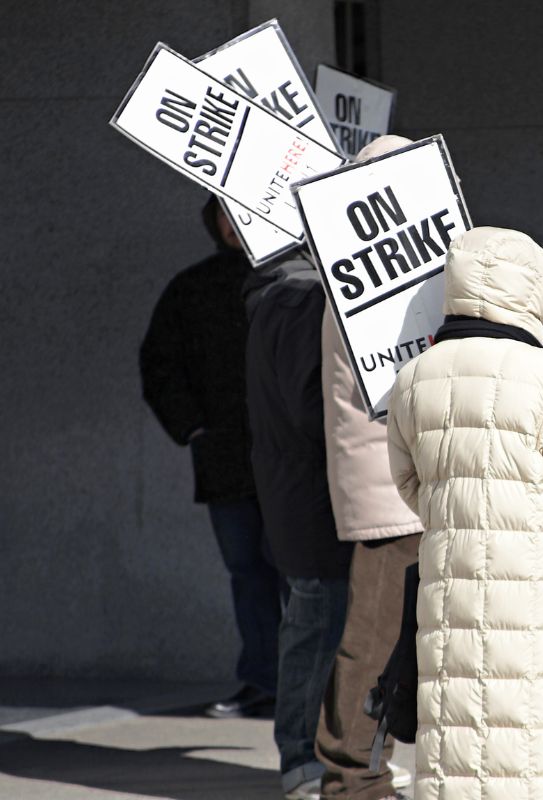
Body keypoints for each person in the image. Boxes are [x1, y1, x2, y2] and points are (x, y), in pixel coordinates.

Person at [386, 227, 543, 800]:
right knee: (538, 751)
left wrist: (464, 517)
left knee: (461, 747)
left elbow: (408, 483)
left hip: (451, 596)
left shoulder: (415, 376)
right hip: (539, 602)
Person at [139, 196, 281, 720]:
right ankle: (263, 682)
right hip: (224, 458)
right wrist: (194, 428)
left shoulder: (295, 282)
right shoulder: (191, 288)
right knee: (248, 572)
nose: (233, 222)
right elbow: (159, 364)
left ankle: (311, 687)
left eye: (241, 210)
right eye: (223, 211)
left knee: (300, 575)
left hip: (290, 457)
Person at [315, 135, 424, 800]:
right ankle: (354, 778)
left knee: (384, 637)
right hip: (390, 489)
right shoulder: (370, 284)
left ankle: (363, 767)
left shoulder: (372, 277)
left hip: (397, 483)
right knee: (373, 640)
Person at [243, 253, 355, 800]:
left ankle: (331, 756)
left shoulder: (289, 295)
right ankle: (303, 759)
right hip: (314, 495)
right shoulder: (300, 299)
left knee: (328, 622)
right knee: (318, 623)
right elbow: (313, 408)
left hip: (309, 491)